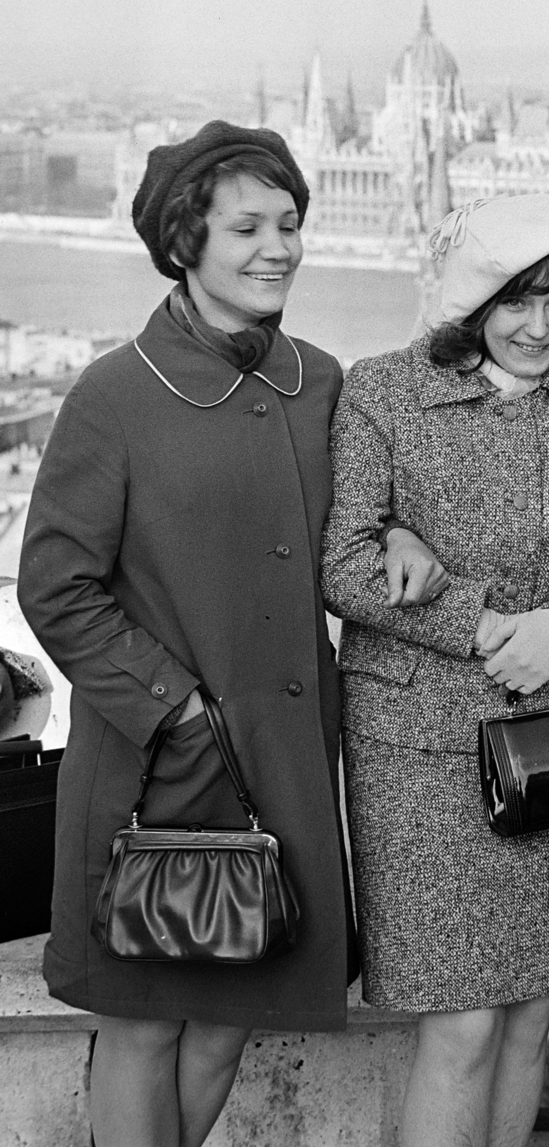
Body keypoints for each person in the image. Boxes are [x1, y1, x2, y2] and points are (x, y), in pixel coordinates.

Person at [18, 122, 353, 1147]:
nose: (278, 247)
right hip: (162, 764)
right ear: (184, 240)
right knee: (146, 1028)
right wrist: (178, 711)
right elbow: (55, 584)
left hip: (286, 766)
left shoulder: (321, 381)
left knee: (228, 1025)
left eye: (289, 223)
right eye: (247, 225)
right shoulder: (115, 395)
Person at [319, 194, 549, 1147]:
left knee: (529, 1018)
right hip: (420, 749)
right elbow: (346, 564)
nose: (539, 329)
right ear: (472, 304)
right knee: (464, 1022)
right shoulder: (383, 390)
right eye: (516, 303)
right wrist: (485, 627)